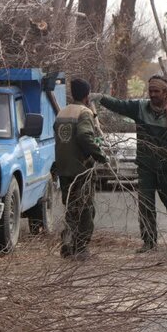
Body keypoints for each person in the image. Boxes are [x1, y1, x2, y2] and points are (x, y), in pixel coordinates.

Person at [92, 75, 167, 253]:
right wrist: (101, 98)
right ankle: (149, 241)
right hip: (146, 167)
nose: (152, 95)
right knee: (146, 205)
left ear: (165, 93)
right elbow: (119, 105)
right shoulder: (139, 108)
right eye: (151, 91)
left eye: (156, 91)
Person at [53, 79, 108, 260]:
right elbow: (84, 135)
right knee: (85, 209)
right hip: (80, 169)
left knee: (71, 208)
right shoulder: (84, 113)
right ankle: (82, 248)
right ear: (87, 96)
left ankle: (67, 245)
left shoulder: (62, 112)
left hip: (63, 169)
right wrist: (99, 154)